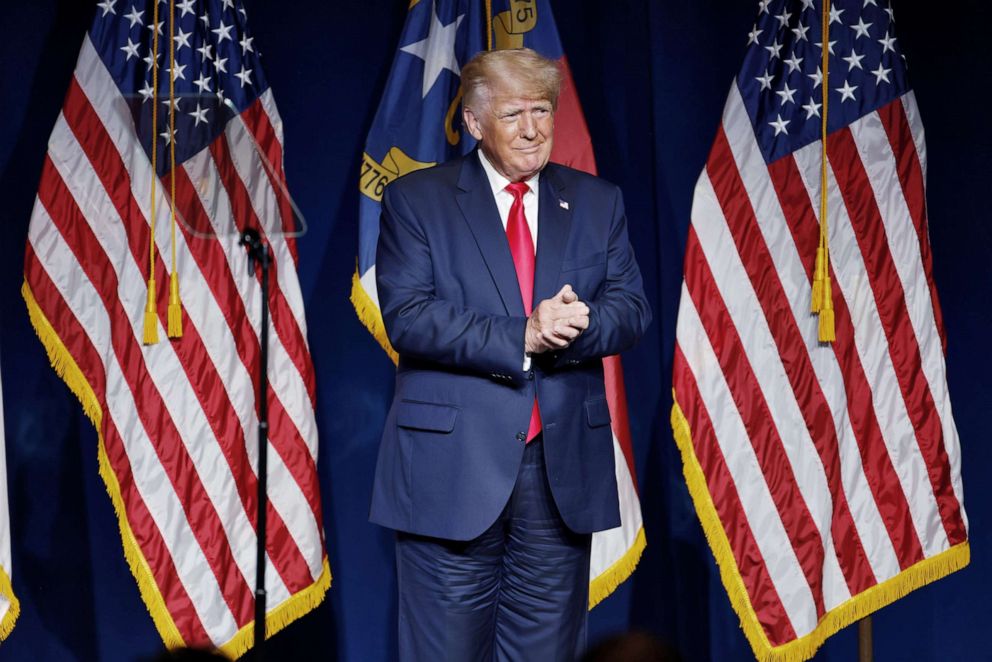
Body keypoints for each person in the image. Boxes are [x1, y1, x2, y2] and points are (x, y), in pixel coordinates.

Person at [370, 47, 651, 661]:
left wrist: (575, 324)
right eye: (514, 113)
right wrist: (524, 335)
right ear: (473, 124)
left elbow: (630, 311)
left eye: (543, 110)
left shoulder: (597, 201)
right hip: (452, 468)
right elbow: (409, 317)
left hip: (558, 473)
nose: (533, 129)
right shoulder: (418, 200)